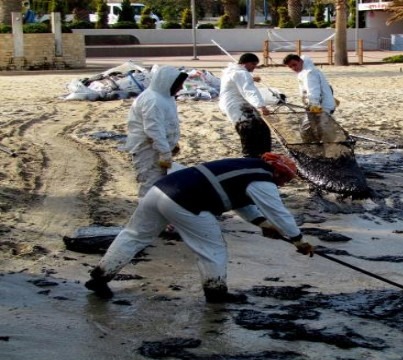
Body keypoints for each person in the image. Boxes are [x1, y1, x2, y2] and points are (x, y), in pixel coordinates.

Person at [84, 153, 315, 303]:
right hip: (185, 201)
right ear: (277, 172)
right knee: (212, 248)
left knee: (134, 236)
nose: (284, 184)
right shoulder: (263, 179)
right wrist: (298, 240)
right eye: (285, 180)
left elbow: (241, 202)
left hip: (159, 190)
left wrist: (261, 224)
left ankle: (99, 277)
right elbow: (278, 212)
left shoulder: (246, 166)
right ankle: (216, 293)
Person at [122, 65, 188, 198]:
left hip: (157, 148)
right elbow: (153, 130)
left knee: (160, 183)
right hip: (147, 150)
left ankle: (155, 214)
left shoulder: (165, 97)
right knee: (150, 183)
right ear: (168, 83)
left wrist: (171, 145)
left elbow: (166, 125)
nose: (181, 88)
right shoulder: (153, 100)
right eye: (179, 84)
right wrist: (165, 152)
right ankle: (145, 215)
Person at [219, 53, 272, 158]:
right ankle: (252, 157)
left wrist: (252, 79)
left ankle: (259, 156)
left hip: (233, 106)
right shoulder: (241, 73)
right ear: (245, 63)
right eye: (253, 64)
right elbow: (249, 91)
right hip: (238, 106)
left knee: (260, 129)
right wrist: (261, 106)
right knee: (251, 130)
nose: (254, 67)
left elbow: (240, 82)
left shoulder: (232, 72)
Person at [283, 54, 338, 143]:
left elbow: (313, 91)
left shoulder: (309, 73)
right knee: (316, 127)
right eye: (290, 67)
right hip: (318, 104)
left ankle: (322, 146)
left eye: (294, 65)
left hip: (320, 106)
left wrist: (314, 105)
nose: (293, 68)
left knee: (312, 129)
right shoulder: (305, 71)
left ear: (300, 61)